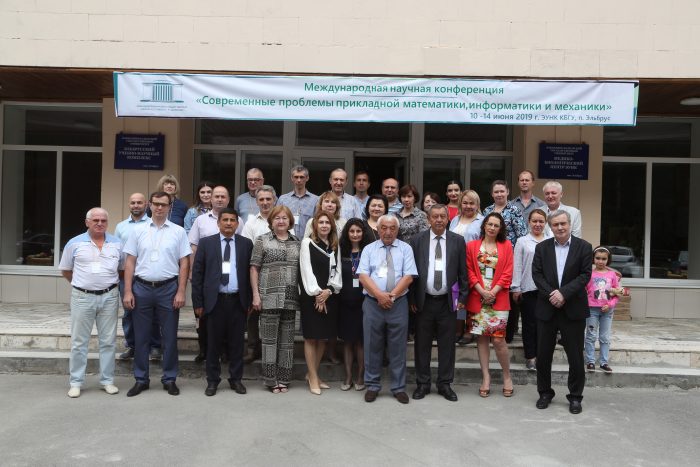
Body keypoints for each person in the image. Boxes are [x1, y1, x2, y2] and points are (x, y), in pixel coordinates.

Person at [122, 191, 192, 397]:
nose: (160, 208)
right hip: (142, 288)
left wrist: (181, 291)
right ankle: (141, 379)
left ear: (170, 207)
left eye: (164, 204)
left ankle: (169, 379)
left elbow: (184, 263)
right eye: (156, 204)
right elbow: (130, 262)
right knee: (141, 337)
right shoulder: (137, 231)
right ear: (149, 205)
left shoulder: (178, 231)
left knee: (169, 337)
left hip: (168, 288)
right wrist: (128, 290)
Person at [532, 210, 592, 414]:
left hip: (573, 309)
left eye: (563, 223)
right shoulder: (542, 248)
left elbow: (585, 275)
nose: (560, 227)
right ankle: (544, 393)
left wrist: (564, 293)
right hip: (547, 307)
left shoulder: (584, 247)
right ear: (550, 227)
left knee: (575, 357)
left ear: (569, 224)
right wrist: (553, 294)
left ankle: (575, 397)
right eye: (555, 224)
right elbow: (537, 275)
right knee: (543, 355)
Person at [59, 208, 122, 398]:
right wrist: (83, 285)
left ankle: (107, 381)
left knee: (108, 341)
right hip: (82, 297)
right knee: (79, 342)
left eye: (103, 220)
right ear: (87, 222)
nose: (100, 223)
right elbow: (66, 270)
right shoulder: (74, 243)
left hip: (109, 297)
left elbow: (122, 270)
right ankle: (76, 382)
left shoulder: (117, 243)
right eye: (95, 220)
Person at [190, 208, 253, 396]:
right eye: (225, 220)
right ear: (218, 223)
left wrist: (249, 300)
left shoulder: (246, 244)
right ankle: (212, 381)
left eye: (232, 220)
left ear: (237, 224)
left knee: (237, 344)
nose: (228, 223)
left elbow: (250, 274)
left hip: (237, 301)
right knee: (213, 344)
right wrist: (197, 303)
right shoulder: (206, 243)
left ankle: (236, 379)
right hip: (214, 302)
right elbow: (198, 274)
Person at [410, 204, 468, 402]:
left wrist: (462, 298)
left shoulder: (457, 241)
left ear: (447, 219)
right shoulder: (417, 240)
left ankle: (445, 383)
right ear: (428, 219)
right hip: (423, 301)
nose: (439, 220)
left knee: (447, 345)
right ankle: (423, 383)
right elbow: (411, 272)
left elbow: (463, 272)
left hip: (448, 301)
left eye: (443, 216)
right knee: (422, 344)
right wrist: (412, 298)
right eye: (435, 216)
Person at [358, 215, 417, 404]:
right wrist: (379, 295)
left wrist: (391, 296)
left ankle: (398, 387)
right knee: (371, 345)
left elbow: (409, 276)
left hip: (398, 303)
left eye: (392, 228)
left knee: (398, 347)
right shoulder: (369, 249)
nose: (388, 232)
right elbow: (363, 276)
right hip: (372, 303)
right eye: (384, 228)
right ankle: (372, 385)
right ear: (378, 229)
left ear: (397, 230)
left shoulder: (406, 249)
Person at [250, 205, 301, 393]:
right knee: (269, 342)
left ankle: (284, 379)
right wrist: (256, 295)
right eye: (277, 218)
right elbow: (254, 268)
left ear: (290, 221)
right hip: (268, 297)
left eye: (284, 218)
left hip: (290, 298)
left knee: (287, 342)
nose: (281, 221)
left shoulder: (297, 242)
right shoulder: (262, 240)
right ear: (271, 221)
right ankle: (271, 380)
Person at [466, 212, 514, 398]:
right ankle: (486, 377)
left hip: (498, 297)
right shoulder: (472, 246)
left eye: (496, 225)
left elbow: (508, 272)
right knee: (482, 339)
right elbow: (469, 271)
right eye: (490, 224)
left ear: (500, 228)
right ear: (484, 225)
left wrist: (492, 292)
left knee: (498, 340)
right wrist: (482, 291)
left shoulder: (506, 245)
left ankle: (507, 376)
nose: (492, 228)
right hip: (477, 297)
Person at [299, 212, 343, 395]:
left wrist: (329, 291)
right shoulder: (307, 243)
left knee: (324, 337)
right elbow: (306, 270)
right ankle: (313, 377)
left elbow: (337, 271)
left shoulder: (334, 246)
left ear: (332, 226)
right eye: (321, 222)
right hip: (312, 297)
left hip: (329, 296)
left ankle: (312, 374)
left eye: (327, 222)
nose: (324, 225)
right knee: (311, 337)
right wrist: (318, 294)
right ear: (315, 225)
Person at [114, 193, 160, 361]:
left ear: (146, 204)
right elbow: (117, 251)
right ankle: (132, 345)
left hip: (146, 276)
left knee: (152, 312)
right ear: (129, 204)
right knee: (128, 312)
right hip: (125, 276)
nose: (136, 205)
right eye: (133, 202)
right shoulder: (121, 227)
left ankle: (155, 346)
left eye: (139, 202)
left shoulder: (152, 224)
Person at [188, 185, 231, 363]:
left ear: (228, 200)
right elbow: (193, 246)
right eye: (216, 196)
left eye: (223, 196)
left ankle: (224, 350)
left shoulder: (235, 219)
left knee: (224, 314)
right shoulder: (201, 220)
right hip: (205, 273)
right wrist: (192, 270)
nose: (219, 199)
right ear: (211, 199)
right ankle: (203, 349)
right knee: (202, 313)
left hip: (227, 272)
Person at [482, 180, 528, 343]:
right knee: (489, 291)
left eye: (502, 191)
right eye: (496, 191)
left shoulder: (514, 210)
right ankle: (489, 328)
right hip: (489, 259)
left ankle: (508, 332)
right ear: (492, 194)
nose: (499, 194)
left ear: (508, 192)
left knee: (507, 294)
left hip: (509, 259)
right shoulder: (487, 210)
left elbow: (522, 235)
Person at [511, 208, 550, 371]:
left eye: (541, 221)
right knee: (529, 324)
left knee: (545, 325)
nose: (537, 224)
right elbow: (517, 265)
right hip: (528, 288)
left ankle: (542, 356)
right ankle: (530, 357)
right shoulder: (522, 241)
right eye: (534, 221)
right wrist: (516, 287)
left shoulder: (551, 240)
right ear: (529, 222)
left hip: (547, 290)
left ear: (545, 223)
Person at [338, 219, 371, 392]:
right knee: (347, 341)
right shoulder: (341, 251)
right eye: (352, 231)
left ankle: (361, 376)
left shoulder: (369, 251)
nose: (355, 234)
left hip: (364, 302)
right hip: (345, 303)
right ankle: (348, 376)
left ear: (363, 233)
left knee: (360, 342)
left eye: (358, 231)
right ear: (347, 233)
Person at [585, 246, 620, 374]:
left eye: (604, 259)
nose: (600, 261)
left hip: (607, 311)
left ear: (608, 260)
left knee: (605, 337)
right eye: (598, 258)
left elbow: (616, 294)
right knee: (591, 335)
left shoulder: (612, 275)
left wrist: (610, 304)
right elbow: (584, 291)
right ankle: (590, 361)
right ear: (593, 259)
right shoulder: (589, 274)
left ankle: (604, 362)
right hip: (592, 310)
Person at [277, 165, 319, 238]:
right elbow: (276, 220)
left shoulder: (315, 200)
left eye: (301, 177)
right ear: (292, 178)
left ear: (307, 178)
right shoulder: (283, 199)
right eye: (296, 177)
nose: (299, 180)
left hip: (307, 240)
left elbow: (318, 222)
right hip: (287, 241)